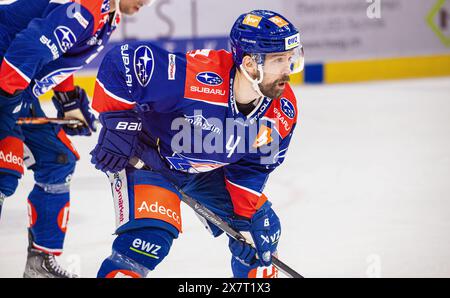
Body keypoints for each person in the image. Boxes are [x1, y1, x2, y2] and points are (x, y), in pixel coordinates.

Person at [91, 9, 304, 278]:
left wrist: (246, 219)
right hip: (147, 159)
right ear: (250, 64)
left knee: (261, 234)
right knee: (149, 240)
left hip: (202, 173)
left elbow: (252, 168)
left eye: (290, 59)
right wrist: (119, 125)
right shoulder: (195, 78)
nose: (288, 70)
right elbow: (122, 63)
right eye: (278, 60)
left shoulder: (282, 112)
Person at [0, 0, 154, 278]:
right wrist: (5, 102)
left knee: (58, 159)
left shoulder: (108, 14)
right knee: (4, 166)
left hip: (15, 87)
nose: (148, 1)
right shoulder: (87, 9)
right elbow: (29, 49)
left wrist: (68, 100)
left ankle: (39, 266)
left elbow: (57, 53)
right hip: (6, 82)